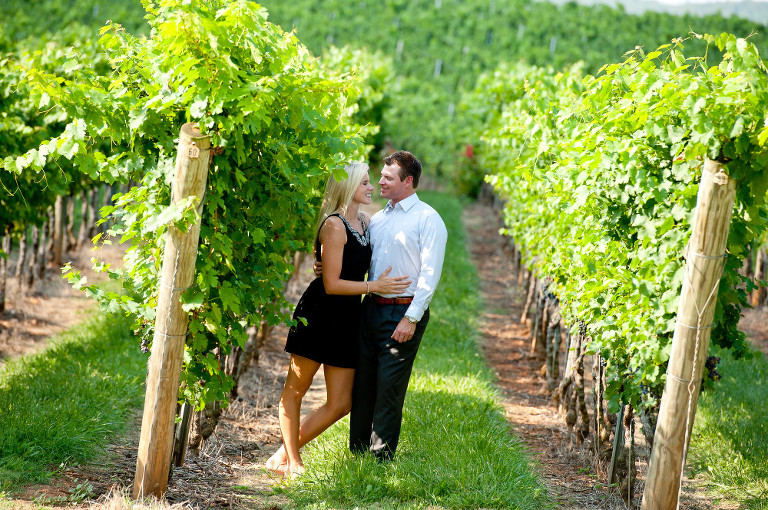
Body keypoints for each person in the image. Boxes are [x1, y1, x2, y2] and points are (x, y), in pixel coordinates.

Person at [265, 162, 411, 478]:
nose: (372, 188)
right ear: (347, 187)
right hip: (319, 314)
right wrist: (375, 286)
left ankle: (281, 454)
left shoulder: (365, 222)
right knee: (295, 391)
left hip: (347, 318)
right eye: (365, 183)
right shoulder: (334, 225)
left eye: (371, 182)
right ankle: (294, 464)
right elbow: (331, 284)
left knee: (341, 403)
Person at [349, 150, 448, 461]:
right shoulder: (377, 220)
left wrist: (411, 318)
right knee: (363, 383)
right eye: (380, 176)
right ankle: (357, 453)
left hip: (402, 313)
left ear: (408, 182)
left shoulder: (428, 220)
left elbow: (430, 275)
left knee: (389, 388)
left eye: (388, 178)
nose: (380, 181)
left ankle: (380, 461)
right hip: (370, 309)